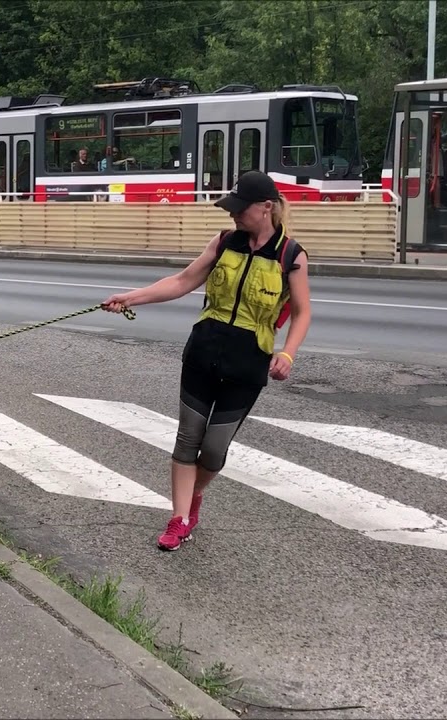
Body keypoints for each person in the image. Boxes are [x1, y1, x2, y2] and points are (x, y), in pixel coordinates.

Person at [100, 170, 313, 551]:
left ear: (266, 207)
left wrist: (288, 353)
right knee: (187, 439)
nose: (233, 215)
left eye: (240, 209)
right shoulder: (224, 242)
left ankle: (193, 496)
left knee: (214, 449)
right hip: (203, 352)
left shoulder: (290, 255)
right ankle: (179, 518)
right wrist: (131, 297)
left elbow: (302, 312)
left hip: (247, 363)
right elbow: (182, 281)